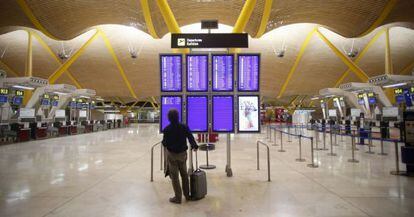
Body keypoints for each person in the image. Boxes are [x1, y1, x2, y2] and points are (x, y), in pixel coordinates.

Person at [162, 109, 198, 204]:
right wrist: (194, 146)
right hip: (182, 154)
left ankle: (178, 198)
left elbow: (165, 143)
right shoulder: (184, 127)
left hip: (172, 155)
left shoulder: (166, 129)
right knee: (184, 175)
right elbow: (190, 137)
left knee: (175, 177)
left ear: (169, 118)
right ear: (178, 117)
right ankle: (187, 195)